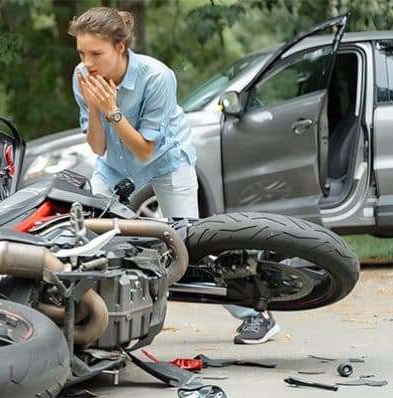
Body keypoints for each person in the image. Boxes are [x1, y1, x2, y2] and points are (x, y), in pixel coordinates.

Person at [68, 6, 278, 344]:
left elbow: (146, 150)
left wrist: (111, 110)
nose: (87, 62)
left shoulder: (156, 77)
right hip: (114, 165)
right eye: (81, 52)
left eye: (96, 53)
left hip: (166, 159)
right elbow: (96, 146)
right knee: (90, 238)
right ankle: (98, 322)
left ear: (120, 47)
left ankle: (256, 315)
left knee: (189, 246)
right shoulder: (83, 77)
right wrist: (94, 106)